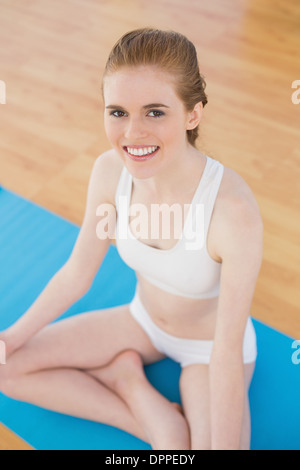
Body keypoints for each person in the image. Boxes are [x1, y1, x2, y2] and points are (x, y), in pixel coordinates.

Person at [0, 28, 263, 450]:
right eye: (118, 112)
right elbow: (77, 274)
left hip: (208, 349)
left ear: (193, 114)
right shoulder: (109, 172)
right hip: (141, 323)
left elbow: (228, 351)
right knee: (7, 370)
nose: (132, 133)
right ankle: (145, 410)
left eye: (155, 112)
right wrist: (10, 337)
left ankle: (139, 395)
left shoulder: (233, 212)